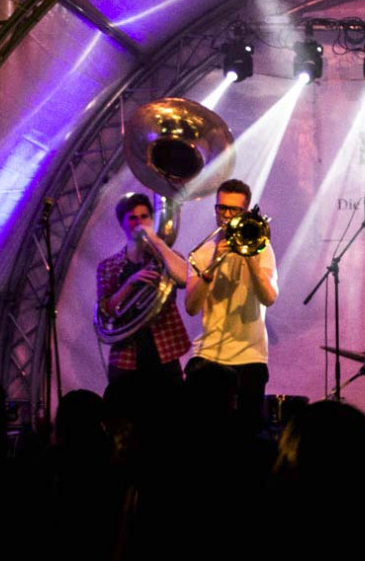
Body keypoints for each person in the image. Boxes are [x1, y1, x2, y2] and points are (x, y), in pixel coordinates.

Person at [185, 179, 278, 432]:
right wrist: (213, 264)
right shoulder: (202, 253)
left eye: (234, 209)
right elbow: (191, 307)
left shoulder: (262, 249)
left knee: (247, 435)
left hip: (250, 355)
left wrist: (249, 257)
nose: (226, 215)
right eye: (222, 208)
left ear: (245, 212)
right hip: (208, 355)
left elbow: (269, 297)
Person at [97, 192, 191, 393]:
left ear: (152, 219)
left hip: (165, 352)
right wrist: (130, 283)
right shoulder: (107, 266)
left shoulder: (166, 257)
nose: (139, 223)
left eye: (144, 217)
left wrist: (155, 240)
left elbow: (185, 278)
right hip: (126, 358)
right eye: (132, 218)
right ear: (122, 223)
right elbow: (107, 312)